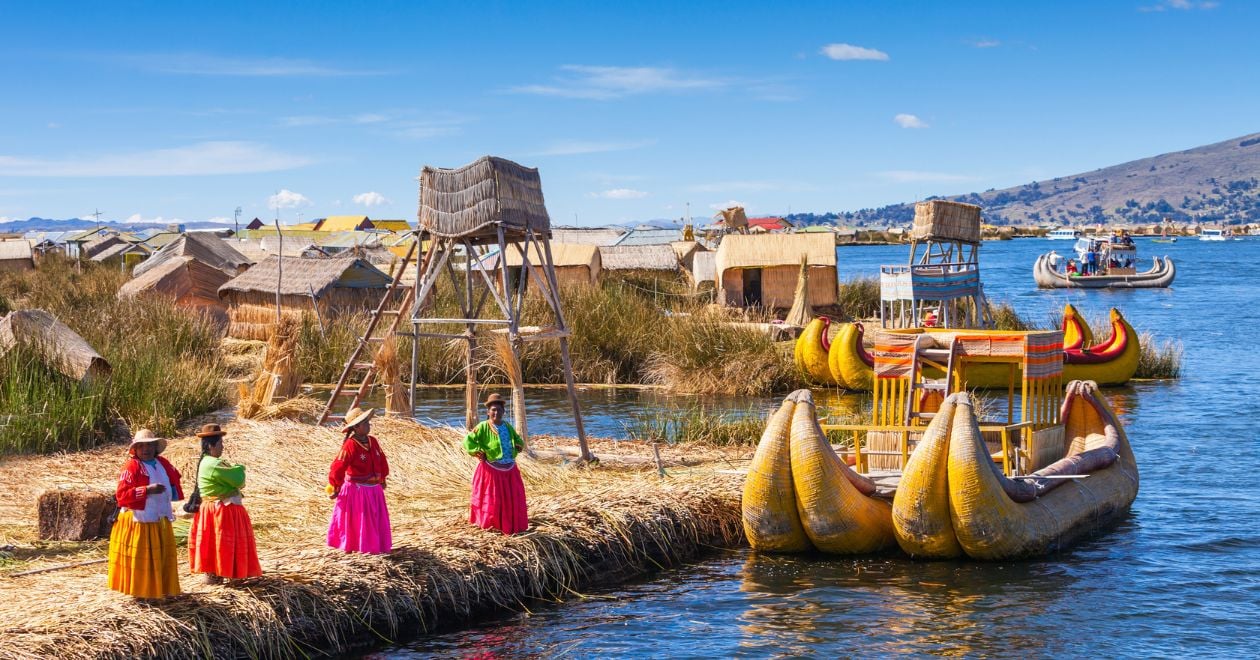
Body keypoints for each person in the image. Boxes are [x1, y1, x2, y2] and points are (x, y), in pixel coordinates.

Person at [108, 429, 183, 599]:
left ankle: (159, 589)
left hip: (159, 518)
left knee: (159, 556)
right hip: (139, 519)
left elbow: (174, 481)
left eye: (149, 445)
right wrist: (146, 490)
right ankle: (141, 591)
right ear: (135, 450)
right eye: (141, 446)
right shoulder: (132, 467)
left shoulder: (162, 463)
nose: (146, 450)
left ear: (156, 447)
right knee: (143, 558)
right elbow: (122, 495)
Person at [188, 424, 262, 584]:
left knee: (214, 543)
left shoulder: (207, 462)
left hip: (214, 508)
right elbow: (239, 479)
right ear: (211, 445)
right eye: (221, 443)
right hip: (220, 511)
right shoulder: (214, 464)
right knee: (222, 544)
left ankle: (215, 575)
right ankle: (225, 575)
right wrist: (240, 468)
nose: (223, 446)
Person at [327, 407, 392, 554]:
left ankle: (376, 547)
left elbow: (381, 460)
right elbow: (338, 466)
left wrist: (382, 478)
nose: (369, 425)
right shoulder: (350, 445)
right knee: (360, 520)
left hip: (374, 490)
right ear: (356, 427)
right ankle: (358, 547)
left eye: (368, 421)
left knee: (374, 519)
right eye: (365, 422)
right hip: (358, 491)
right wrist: (335, 486)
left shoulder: (373, 441)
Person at [464, 393, 529, 535]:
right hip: (492, 470)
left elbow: (518, 439)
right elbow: (468, 441)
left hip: (509, 468)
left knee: (510, 498)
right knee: (493, 499)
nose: (496, 412)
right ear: (488, 412)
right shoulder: (483, 427)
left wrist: (518, 446)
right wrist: (477, 451)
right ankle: (492, 524)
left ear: (503, 412)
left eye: (499, 410)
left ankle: (509, 523)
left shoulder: (507, 426)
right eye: (493, 409)